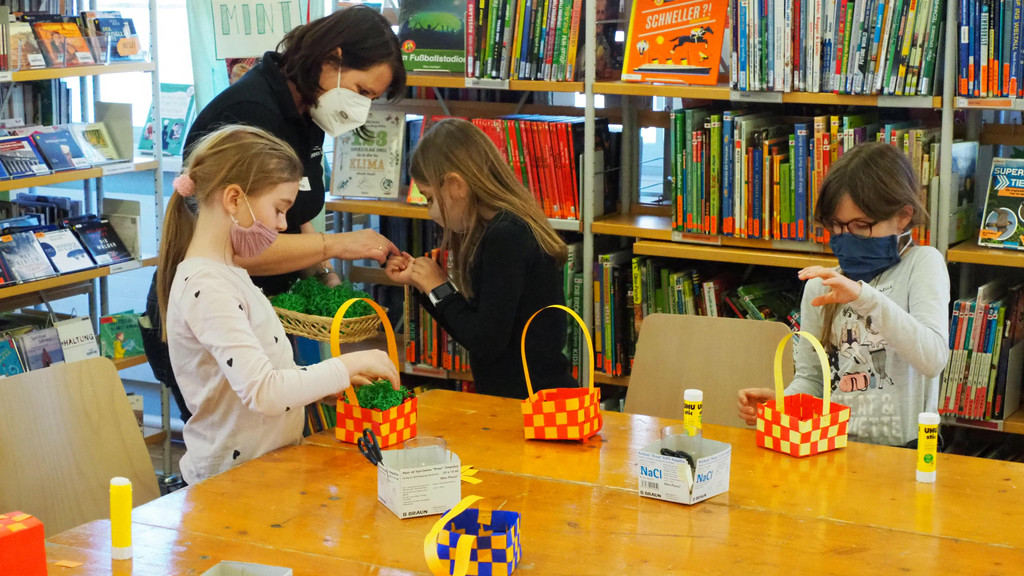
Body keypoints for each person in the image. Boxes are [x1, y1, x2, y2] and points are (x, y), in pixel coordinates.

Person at [143, 6, 406, 422]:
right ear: (332, 60)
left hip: (261, 313)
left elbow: (294, 212)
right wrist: (336, 244)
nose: (361, 108)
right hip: (225, 321)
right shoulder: (252, 113)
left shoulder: (311, 108)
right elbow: (246, 244)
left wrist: (327, 279)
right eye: (361, 91)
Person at [157, 125, 399, 485]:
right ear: (234, 199)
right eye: (279, 209)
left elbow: (260, 377)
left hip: (263, 474)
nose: (283, 225)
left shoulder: (228, 274)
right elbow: (263, 392)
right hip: (230, 487)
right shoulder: (207, 287)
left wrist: (321, 385)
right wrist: (348, 364)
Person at [736, 142, 950, 447]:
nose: (846, 238)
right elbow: (812, 379)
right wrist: (783, 405)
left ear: (903, 216)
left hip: (907, 450)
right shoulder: (822, 286)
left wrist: (863, 297)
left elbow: (933, 359)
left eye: (861, 226)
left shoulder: (923, 264)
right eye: (836, 226)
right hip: (835, 445)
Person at [384, 119, 576, 399]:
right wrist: (423, 285)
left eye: (429, 198)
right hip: (521, 398)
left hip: (531, 404)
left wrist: (439, 287)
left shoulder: (506, 236)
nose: (430, 211)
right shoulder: (501, 229)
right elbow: (471, 327)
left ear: (455, 185)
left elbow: (485, 340)